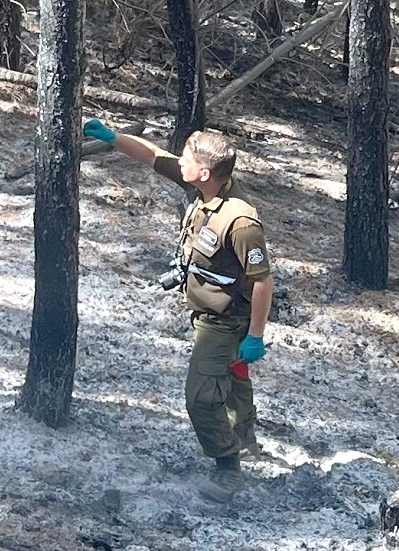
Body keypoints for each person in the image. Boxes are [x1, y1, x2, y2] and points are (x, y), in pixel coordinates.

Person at [83, 119, 274, 503]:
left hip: (226, 321)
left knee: (201, 398)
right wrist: (112, 137)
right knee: (232, 377)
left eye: (186, 158)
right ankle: (244, 432)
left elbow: (262, 282)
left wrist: (254, 335)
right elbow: (153, 155)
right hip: (206, 314)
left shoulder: (239, 221)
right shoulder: (200, 184)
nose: (179, 161)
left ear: (204, 172)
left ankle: (227, 466)